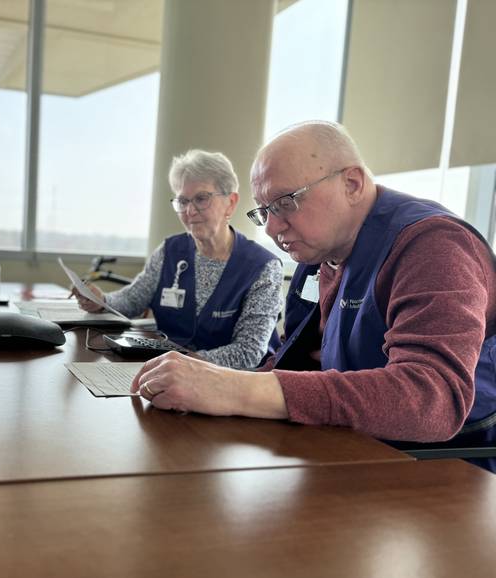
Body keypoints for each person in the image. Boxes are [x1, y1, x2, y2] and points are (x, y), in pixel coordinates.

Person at [130, 121, 496, 472]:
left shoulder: (434, 246)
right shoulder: (318, 256)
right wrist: (207, 385)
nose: (272, 228)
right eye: (265, 211)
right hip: (350, 447)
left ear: (352, 183)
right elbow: (296, 363)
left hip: (441, 473)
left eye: (286, 202)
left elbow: (431, 399)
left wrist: (236, 389)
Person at [72, 149, 282, 369]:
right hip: (167, 374)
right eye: (182, 201)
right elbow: (133, 300)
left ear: (230, 202)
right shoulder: (169, 251)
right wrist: (101, 301)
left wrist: (182, 364)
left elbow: (249, 352)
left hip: (232, 385)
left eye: (201, 198)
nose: (190, 210)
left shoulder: (263, 267)